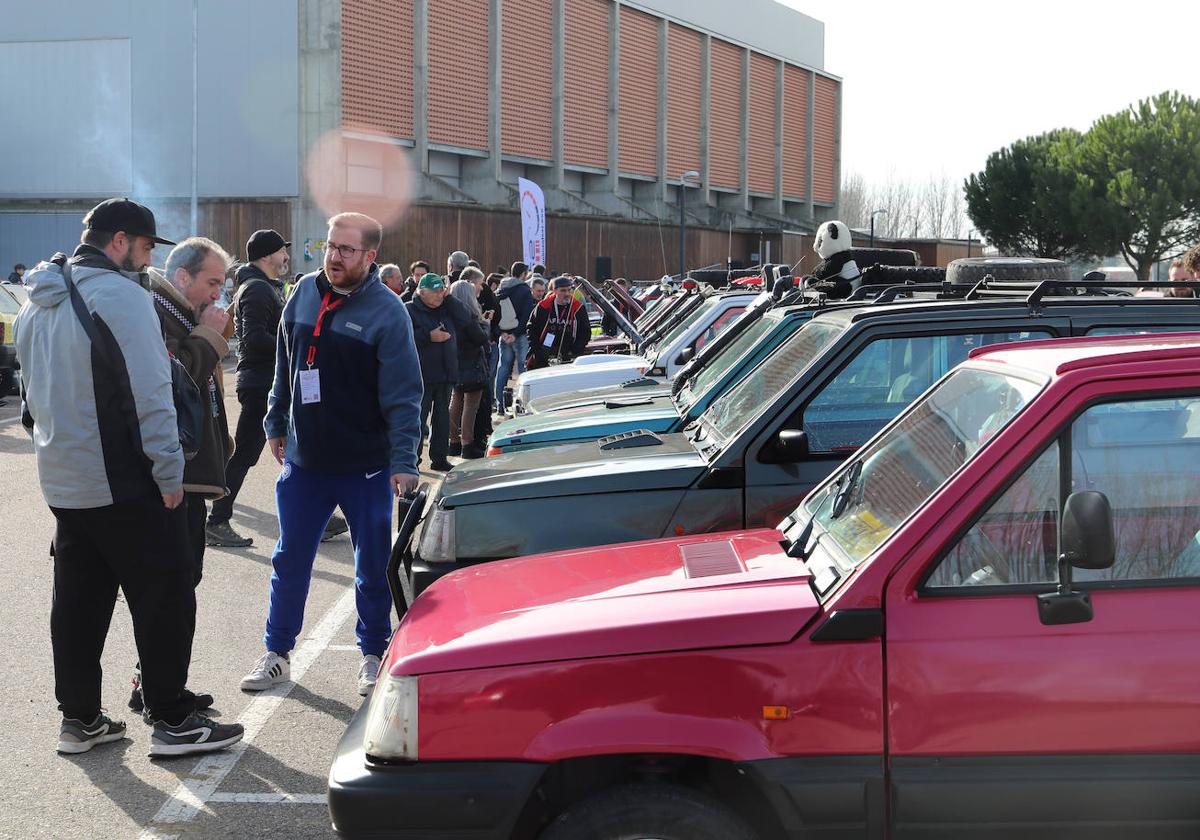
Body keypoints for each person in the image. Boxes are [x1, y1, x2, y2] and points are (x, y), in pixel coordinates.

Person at [15, 198, 243, 757]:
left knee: (78, 600)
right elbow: (153, 393)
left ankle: (81, 718)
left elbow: (29, 401)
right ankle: (172, 721)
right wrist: (169, 469)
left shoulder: (33, 303)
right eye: (145, 249)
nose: (148, 263)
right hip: (124, 476)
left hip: (64, 478)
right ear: (119, 241)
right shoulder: (124, 296)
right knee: (165, 593)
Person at [241, 212, 422, 697]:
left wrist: (405, 462)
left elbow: (404, 395)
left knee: (372, 565)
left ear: (370, 256)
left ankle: (372, 653)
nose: (334, 257)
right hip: (304, 464)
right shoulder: (301, 293)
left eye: (346, 250)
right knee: (290, 561)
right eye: (330, 246)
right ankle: (277, 653)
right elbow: (285, 364)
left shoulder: (389, 312)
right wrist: (276, 423)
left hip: (366, 465)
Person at [131, 237, 235, 714]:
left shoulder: (180, 311)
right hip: (174, 476)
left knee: (180, 583)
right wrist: (211, 337)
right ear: (181, 277)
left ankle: (158, 683)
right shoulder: (156, 310)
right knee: (171, 589)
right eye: (212, 282)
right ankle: (160, 693)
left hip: (188, 472)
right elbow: (174, 384)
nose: (218, 294)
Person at [406, 273, 481, 470]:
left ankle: (439, 458)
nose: (440, 295)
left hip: (446, 374)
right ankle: (411, 461)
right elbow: (402, 338)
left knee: (442, 420)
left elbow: (466, 319)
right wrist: (428, 336)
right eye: (436, 292)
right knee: (418, 421)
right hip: (420, 376)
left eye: (442, 291)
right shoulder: (409, 310)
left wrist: (449, 298)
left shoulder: (447, 308)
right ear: (421, 292)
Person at [448, 274, 491, 458]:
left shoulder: (448, 314)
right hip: (472, 363)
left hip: (455, 364)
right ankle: (467, 444)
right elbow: (480, 338)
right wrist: (486, 323)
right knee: (470, 405)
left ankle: (453, 442)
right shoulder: (469, 315)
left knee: (455, 402)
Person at [495, 262, 536, 412]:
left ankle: (500, 404)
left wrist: (502, 333)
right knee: (522, 369)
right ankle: (523, 404)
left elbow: (494, 314)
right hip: (519, 335)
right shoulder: (524, 290)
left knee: (503, 368)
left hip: (504, 334)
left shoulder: (500, 289)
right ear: (524, 274)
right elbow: (527, 316)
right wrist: (516, 334)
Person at [527, 275, 591, 368]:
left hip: (569, 353)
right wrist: (537, 350)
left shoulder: (578, 308)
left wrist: (576, 350)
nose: (567, 293)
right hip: (544, 352)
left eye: (569, 290)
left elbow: (585, 332)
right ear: (555, 291)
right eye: (563, 290)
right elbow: (531, 328)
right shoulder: (543, 306)